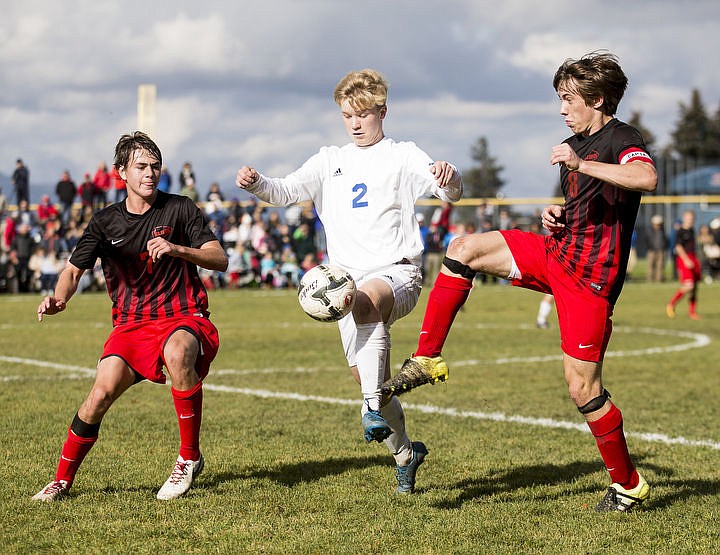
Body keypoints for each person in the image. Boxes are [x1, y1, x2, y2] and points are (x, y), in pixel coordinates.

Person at [383, 52, 657, 512]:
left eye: (569, 99)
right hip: (557, 255)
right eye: (560, 99)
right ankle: (427, 358)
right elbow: (587, 209)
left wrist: (580, 165)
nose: (562, 109)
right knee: (462, 248)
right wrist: (558, 215)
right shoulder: (576, 144)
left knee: (583, 390)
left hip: (589, 284)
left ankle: (628, 484)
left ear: (598, 99)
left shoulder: (621, 137)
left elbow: (645, 177)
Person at [235, 68, 463, 493]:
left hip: (398, 272)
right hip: (343, 283)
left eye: (363, 115)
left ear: (382, 111)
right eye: (346, 116)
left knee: (367, 304)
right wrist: (257, 184)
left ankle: (370, 408)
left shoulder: (402, 154)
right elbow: (284, 190)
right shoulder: (329, 160)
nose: (355, 124)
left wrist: (451, 179)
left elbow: (448, 191)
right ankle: (405, 453)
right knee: (368, 376)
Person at [32, 131, 228, 502]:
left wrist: (177, 249)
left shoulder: (180, 209)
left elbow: (219, 259)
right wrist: (58, 300)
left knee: (177, 353)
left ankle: (188, 458)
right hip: (132, 325)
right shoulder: (105, 222)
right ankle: (61, 480)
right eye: (141, 167)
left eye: (155, 166)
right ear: (122, 172)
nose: (150, 173)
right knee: (99, 394)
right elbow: (73, 271)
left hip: (183, 315)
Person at [666, 209, 701, 319]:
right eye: (688, 218)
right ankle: (671, 304)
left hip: (693, 257)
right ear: (684, 218)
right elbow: (678, 247)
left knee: (695, 286)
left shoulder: (692, 230)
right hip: (684, 258)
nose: (690, 220)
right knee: (688, 285)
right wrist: (686, 260)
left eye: (692, 219)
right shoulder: (680, 231)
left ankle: (692, 312)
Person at [645, 214, 668, 282]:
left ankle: (659, 279)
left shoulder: (663, 231)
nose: (658, 225)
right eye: (656, 224)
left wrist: (664, 247)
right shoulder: (649, 231)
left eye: (659, 224)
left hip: (661, 251)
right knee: (651, 266)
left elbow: (665, 240)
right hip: (651, 251)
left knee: (660, 266)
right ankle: (650, 279)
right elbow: (646, 241)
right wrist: (650, 247)